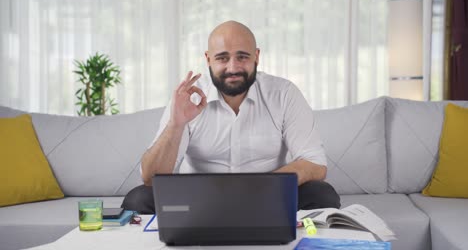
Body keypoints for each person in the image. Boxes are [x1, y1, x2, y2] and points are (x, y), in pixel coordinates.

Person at [122, 21, 340, 214]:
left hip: (268, 195)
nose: (233, 67)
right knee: (138, 199)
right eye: (222, 58)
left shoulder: (284, 94)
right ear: (208, 59)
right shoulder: (188, 97)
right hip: (199, 200)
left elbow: (315, 163)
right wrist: (175, 124)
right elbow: (151, 178)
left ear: (257, 56)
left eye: (242, 57)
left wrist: (263, 187)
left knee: (323, 194)